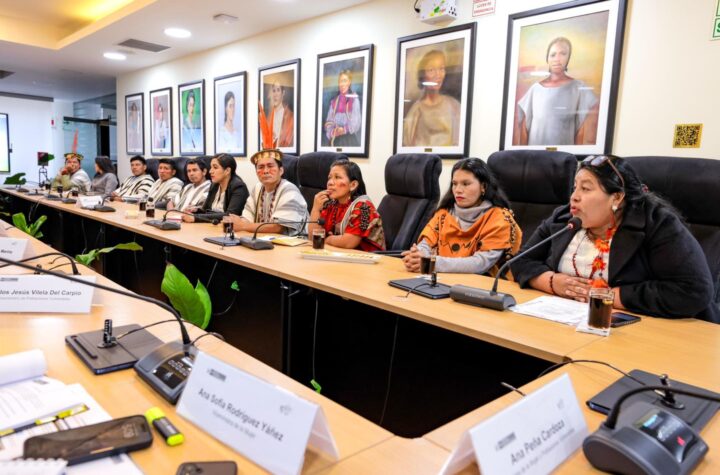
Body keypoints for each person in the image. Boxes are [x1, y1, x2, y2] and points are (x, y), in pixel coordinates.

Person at [510, 155, 718, 323]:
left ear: (617, 197)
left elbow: (693, 291)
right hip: (566, 323)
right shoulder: (564, 218)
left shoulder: (657, 224)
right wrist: (552, 282)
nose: (574, 196)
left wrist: (609, 296)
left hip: (647, 334)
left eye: (585, 189)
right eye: (575, 187)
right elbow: (521, 261)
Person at [402, 158, 522, 275]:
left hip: (481, 284)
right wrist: (417, 256)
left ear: (483, 186)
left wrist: (432, 263)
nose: (458, 190)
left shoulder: (500, 218)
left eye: (466, 184)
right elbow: (425, 244)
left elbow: (481, 263)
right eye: (454, 184)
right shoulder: (443, 214)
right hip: (442, 279)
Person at [514, 37, 599, 146]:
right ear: (547, 58)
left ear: (568, 57)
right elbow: (524, 129)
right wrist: (523, 154)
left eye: (563, 54)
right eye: (553, 55)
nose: (557, 59)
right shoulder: (535, 89)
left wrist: (576, 155)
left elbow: (580, 130)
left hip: (563, 155)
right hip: (535, 154)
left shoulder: (578, 88)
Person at [223, 150, 308, 235]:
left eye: (270, 166)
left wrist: (243, 226)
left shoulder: (289, 190)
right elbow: (247, 217)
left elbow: (279, 227)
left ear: (281, 170)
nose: (265, 171)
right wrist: (237, 222)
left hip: (295, 241)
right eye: (261, 167)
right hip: (264, 239)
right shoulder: (257, 188)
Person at [308, 158, 385, 252]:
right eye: (329, 178)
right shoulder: (331, 204)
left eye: (337, 177)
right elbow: (313, 238)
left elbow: (349, 242)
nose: (330, 182)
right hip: (337, 254)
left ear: (353, 185)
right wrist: (316, 208)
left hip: (366, 257)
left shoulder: (364, 207)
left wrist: (328, 239)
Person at [403, 49, 461, 147]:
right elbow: (407, 145)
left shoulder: (454, 106)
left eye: (441, 68)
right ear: (422, 75)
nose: (438, 75)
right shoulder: (416, 110)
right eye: (431, 70)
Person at [186, 154, 249, 222]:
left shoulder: (238, 187)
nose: (210, 171)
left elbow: (230, 215)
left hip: (229, 227)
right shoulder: (214, 185)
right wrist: (195, 210)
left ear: (227, 170)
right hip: (212, 225)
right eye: (211, 167)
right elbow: (205, 209)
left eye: (215, 167)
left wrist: (196, 218)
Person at [323, 69, 361, 147]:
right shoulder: (334, 102)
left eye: (345, 81)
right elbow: (328, 122)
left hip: (349, 140)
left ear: (349, 82)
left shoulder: (354, 100)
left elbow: (356, 123)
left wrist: (344, 129)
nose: (342, 84)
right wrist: (332, 131)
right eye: (340, 81)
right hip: (335, 140)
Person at [268, 80, 294, 147]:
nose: (275, 94)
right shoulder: (269, 117)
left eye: (278, 90)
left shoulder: (290, 116)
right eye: (274, 91)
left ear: (283, 93)